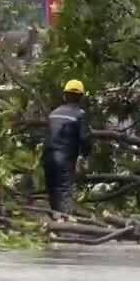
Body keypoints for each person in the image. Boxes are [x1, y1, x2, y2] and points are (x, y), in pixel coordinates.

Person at [43, 79, 92, 214]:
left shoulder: (53, 114)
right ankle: (65, 226)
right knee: (64, 192)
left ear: (65, 95)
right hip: (64, 159)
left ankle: (56, 221)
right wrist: (84, 157)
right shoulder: (80, 115)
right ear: (81, 97)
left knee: (52, 190)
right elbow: (84, 138)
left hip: (47, 157)